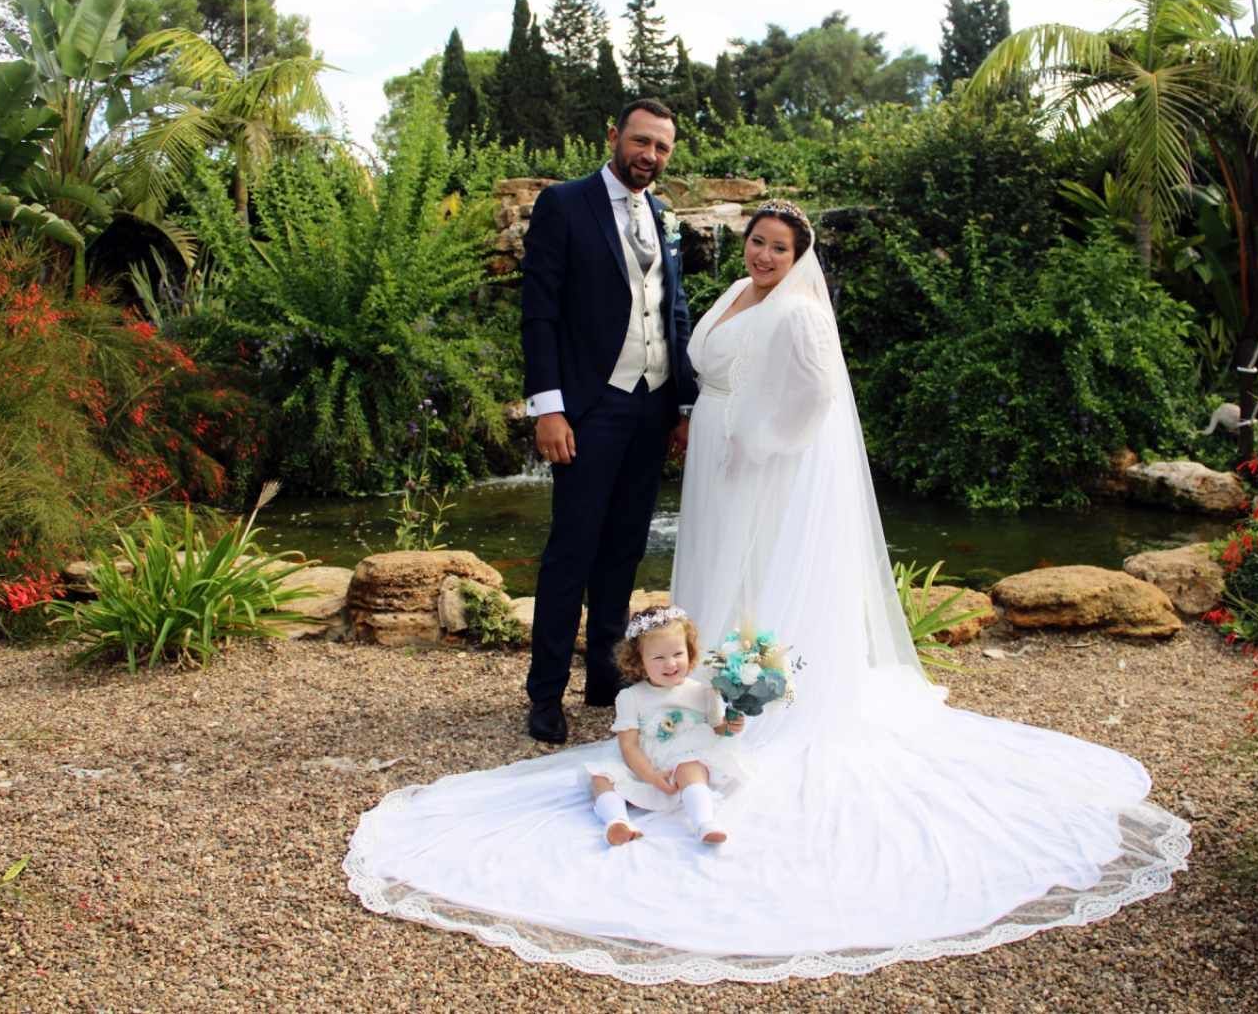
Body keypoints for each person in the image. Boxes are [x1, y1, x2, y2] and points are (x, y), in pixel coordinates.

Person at [344, 200, 1191, 985]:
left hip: (758, 464)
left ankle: (753, 696)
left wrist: (758, 438)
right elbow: (695, 356)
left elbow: (819, 394)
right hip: (708, 452)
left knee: (754, 576)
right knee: (704, 569)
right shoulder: (732, 293)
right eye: (757, 242)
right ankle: (681, 683)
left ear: (800, 255)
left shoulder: (802, 309)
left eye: (778, 247)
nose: (763, 254)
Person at [519, 98, 696, 744]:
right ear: (613, 135)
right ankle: (544, 695)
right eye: (641, 142)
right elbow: (539, 313)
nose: (650, 156)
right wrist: (549, 406)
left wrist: (681, 405)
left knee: (624, 548)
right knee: (572, 549)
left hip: (650, 407)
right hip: (589, 406)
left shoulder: (663, 215)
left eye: (663, 148)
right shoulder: (564, 205)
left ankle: (602, 675)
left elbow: (672, 311)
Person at [584, 606, 749, 846]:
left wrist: (730, 727)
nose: (670, 663)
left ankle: (704, 822)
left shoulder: (702, 692)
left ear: (690, 653)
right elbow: (628, 746)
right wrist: (649, 775)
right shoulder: (631, 697)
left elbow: (716, 729)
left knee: (690, 767)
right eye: (659, 657)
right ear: (638, 661)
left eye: (678, 654)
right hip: (643, 762)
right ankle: (616, 821)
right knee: (601, 776)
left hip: (683, 760)